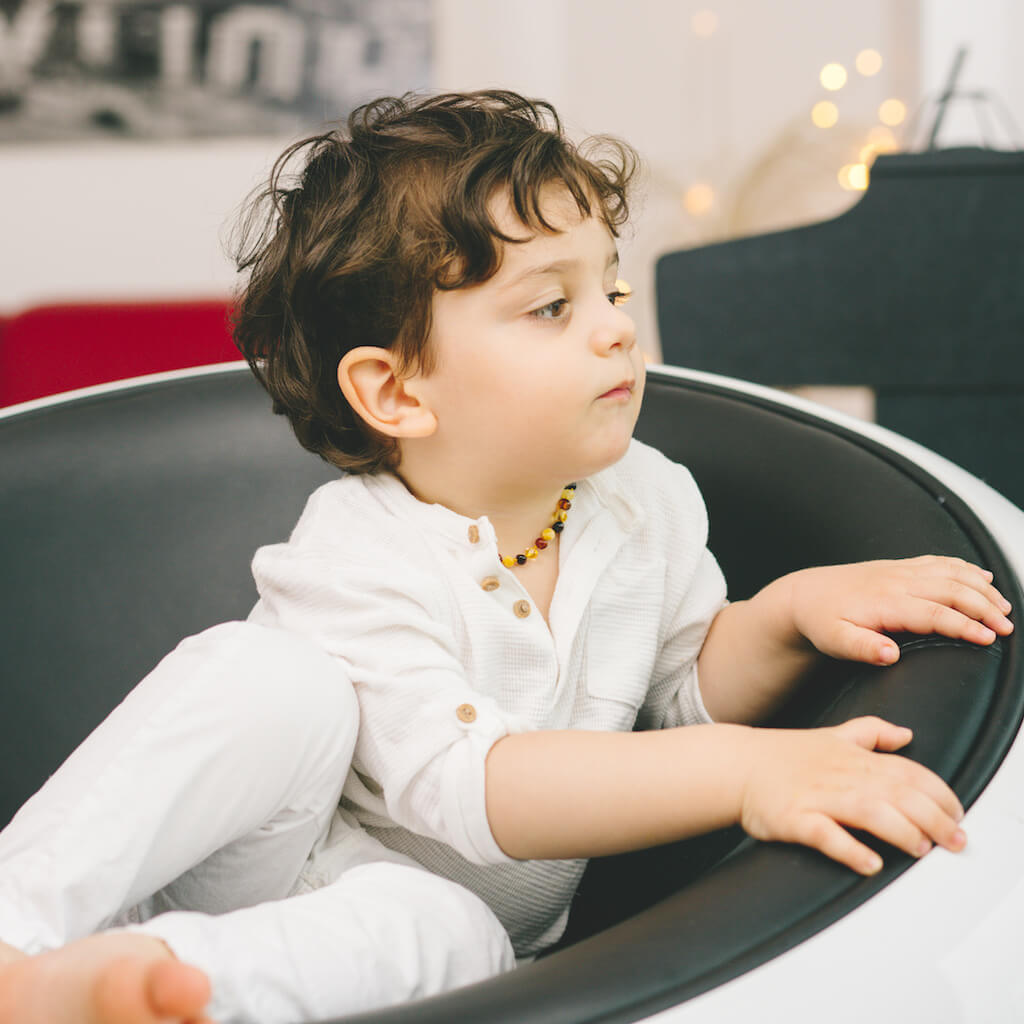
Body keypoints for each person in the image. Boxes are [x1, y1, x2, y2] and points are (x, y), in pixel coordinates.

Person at [0, 90, 1014, 1024]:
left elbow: (674, 689)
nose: (618, 329)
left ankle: (132, 992)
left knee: (454, 932)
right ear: (398, 394)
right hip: (256, 855)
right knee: (270, 675)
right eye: (551, 307)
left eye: (608, 287)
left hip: (407, 928)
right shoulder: (357, 549)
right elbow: (476, 788)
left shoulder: (643, 498)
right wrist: (751, 772)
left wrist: (781, 618)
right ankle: (16, 936)